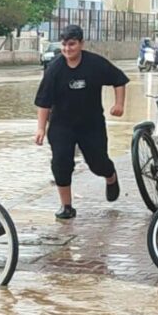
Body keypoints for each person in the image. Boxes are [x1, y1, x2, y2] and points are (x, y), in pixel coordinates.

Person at [34, 24, 127, 220]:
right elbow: (44, 101)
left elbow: (119, 79)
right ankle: (66, 206)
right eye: (64, 45)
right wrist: (41, 128)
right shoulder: (54, 70)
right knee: (61, 163)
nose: (68, 49)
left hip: (91, 124)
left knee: (97, 163)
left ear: (81, 44)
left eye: (72, 44)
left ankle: (111, 176)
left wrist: (119, 104)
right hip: (61, 125)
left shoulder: (95, 64)